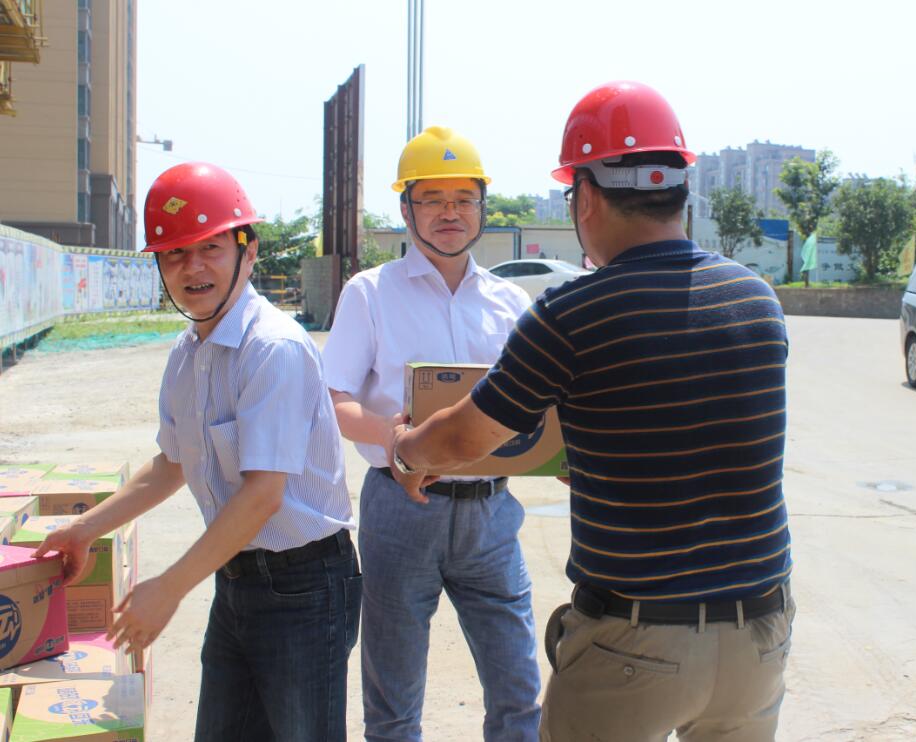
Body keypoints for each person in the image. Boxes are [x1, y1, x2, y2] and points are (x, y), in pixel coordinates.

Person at [390, 82, 796, 742]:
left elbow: (464, 438)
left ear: (584, 197)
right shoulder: (757, 300)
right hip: (760, 638)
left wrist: (406, 449)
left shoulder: (572, 315)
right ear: (680, 188)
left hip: (634, 643)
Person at [34, 162, 360, 742]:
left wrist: (168, 588)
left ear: (248, 251)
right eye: (175, 254)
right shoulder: (189, 355)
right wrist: (85, 528)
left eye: (210, 248)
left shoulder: (273, 349)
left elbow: (263, 495)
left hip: (304, 586)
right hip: (235, 577)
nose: (193, 267)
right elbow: (172, 464)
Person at [322, 126, 540, 742]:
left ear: (483, 208)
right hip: (401, 511)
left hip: (492, 515)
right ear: (406, 208)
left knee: (520, 696)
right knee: (393, 706)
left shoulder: (510, 303)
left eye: (464, 199)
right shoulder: (370, 294)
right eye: (432, 199)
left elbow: (540, 406)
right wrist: (391, 439)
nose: (450, 213)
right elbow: (332, 400)